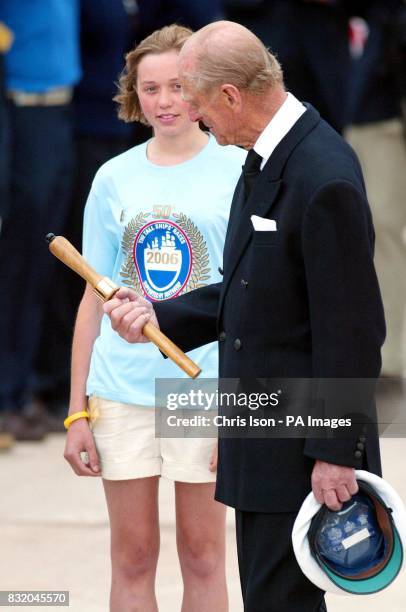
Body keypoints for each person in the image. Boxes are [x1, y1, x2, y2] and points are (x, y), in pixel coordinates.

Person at [104, 21, 386, 611]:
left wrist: (336, 452)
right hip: (262, 437)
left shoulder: (321, 173)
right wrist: (159, 313)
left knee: (280, 602)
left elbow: (353, 332)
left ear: (231, 95)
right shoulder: (267, 155)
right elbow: (252, 288)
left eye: (202, 104)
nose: (199, 119)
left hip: (301, 449)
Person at [63, 25, 245, 612]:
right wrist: (77, 411)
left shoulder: (238, 170)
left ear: (204, 90)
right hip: (121, 390)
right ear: (132, 95)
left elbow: (251, 296)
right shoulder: (113, 178)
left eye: (177, 85)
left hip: (205, 390)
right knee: (133, 557)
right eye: (149, 88)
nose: (164, 100)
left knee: (204, 555)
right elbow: (93, 298)